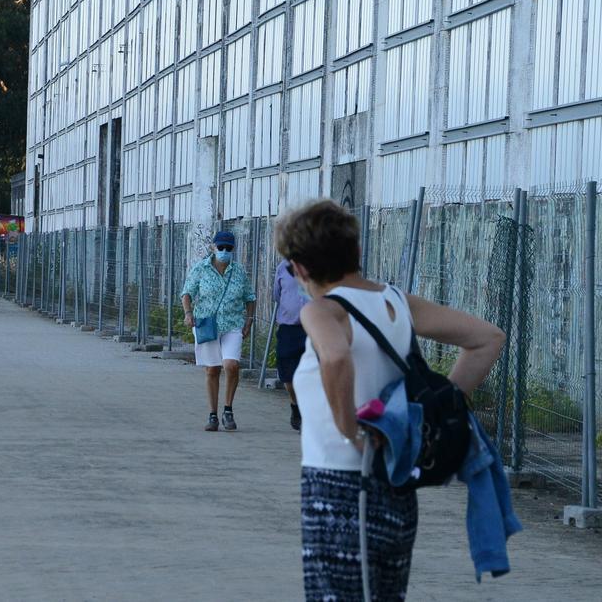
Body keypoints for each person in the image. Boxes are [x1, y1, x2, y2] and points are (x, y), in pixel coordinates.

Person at [275, 199, 504, 601]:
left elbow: (334, 355)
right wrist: (430, 410)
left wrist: (351, 430)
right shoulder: (397, 302)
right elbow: (487, 339)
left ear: (300, 268)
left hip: (339, 486)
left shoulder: (322, 310)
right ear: (356, 251)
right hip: (396, 487)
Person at [180, 230, 256, 432]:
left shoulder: (239, 271)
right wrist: (188, 313)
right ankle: (212, 414)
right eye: (220, 247)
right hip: (207, 324)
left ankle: (228, 409)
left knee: (231, 365)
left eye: (228, 248)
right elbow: (187, 292)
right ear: (213, 247)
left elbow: (250, 297)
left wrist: (248, 322)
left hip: (232, 324)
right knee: (212, 369)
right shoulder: (201, 269)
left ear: (233, 250)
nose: (224, 251)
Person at [272, 260, 308, 431]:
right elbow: (277, 295)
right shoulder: (283, 267)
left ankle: (308, 414)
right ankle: (295, 404)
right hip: (289, 327)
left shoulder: (322, 264)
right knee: (288, 377)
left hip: (314, 327)